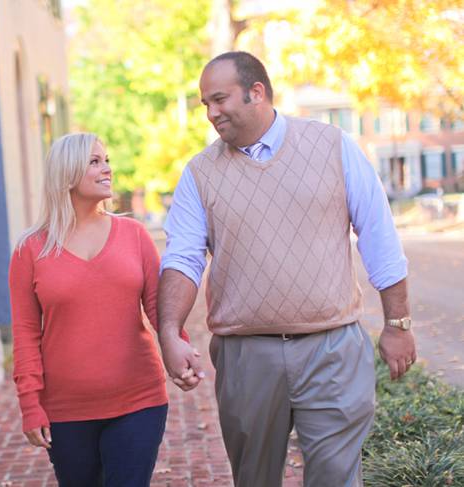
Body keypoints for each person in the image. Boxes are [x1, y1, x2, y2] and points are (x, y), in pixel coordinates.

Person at [157, 51, 417, 487]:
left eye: (219, 99)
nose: (211, 112)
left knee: (336, 477)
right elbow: (182, 258)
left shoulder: (332, 146)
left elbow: (379, 237)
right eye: (205, 104)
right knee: (254, 478)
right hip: (245, 356)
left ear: (256, 92)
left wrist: (398, 322)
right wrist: (170, 331)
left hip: (332, 347)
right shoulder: (200, 174)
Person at [9, 133, 187, 486]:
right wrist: (30, 403)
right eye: (94, 161)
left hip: (139, 399)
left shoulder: (134, 235)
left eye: (106, 160)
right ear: (67, 173)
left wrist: (178, 347)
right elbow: (26, 334)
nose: (107, 169)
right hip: (66, 409)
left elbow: (158, 308)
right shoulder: (30, 250)